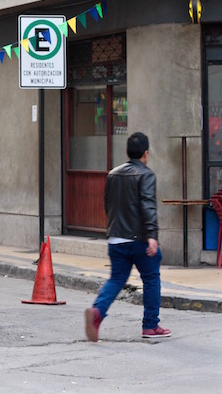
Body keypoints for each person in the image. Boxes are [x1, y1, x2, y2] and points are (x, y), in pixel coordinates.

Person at [85, 132, 171, 341]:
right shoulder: (146, 174)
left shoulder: (113, 174)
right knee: (151, 278)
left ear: (127, 152)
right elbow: (148, 205)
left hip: (116, 238)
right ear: (146, 153)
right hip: (139, 239)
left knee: (116, 279)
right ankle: (150, 326)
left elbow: (108, 204)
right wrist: (152, 236)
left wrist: (114, 228)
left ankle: (97, 313)